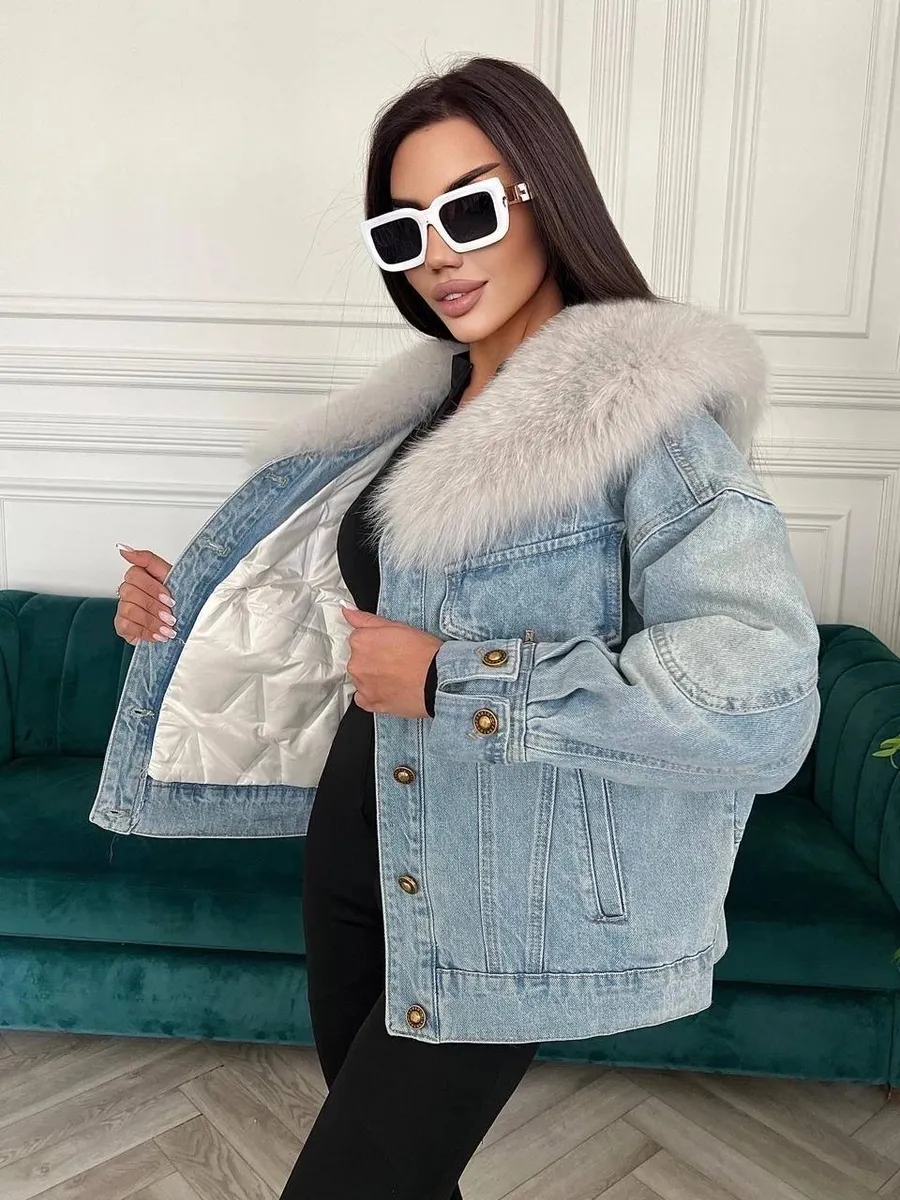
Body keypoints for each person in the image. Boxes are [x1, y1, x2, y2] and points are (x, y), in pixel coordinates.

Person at [101, 55, 821, 1200]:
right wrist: (184, 613)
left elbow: (763, 693)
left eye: (469, 211)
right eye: (403, 229)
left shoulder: (645, 423)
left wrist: (462, 682)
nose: (437, 255)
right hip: (356, 856)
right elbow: (352, 626)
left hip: (502, 898)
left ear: (547, 196)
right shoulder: (420, 413)